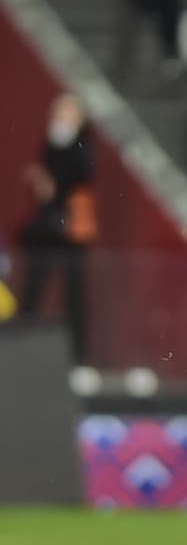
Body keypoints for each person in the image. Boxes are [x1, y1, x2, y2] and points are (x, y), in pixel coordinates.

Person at [18, 94, 97, 362]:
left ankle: (77, 357)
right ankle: (18, 348)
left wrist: (54, 186)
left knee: (74, 295)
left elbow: (81, 177)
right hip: (47, 229)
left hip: (70, 230)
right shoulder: (51, 143)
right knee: (33, 289)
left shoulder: (81, 145)